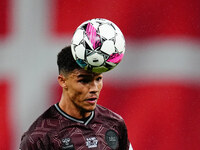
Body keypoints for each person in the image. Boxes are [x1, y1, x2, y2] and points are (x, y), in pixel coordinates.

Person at [19, 46, 133, 150]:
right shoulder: (38, 137)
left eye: (98, 79)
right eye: (84, 80)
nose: (94, 88)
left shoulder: (115, 123)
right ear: (63, 81)